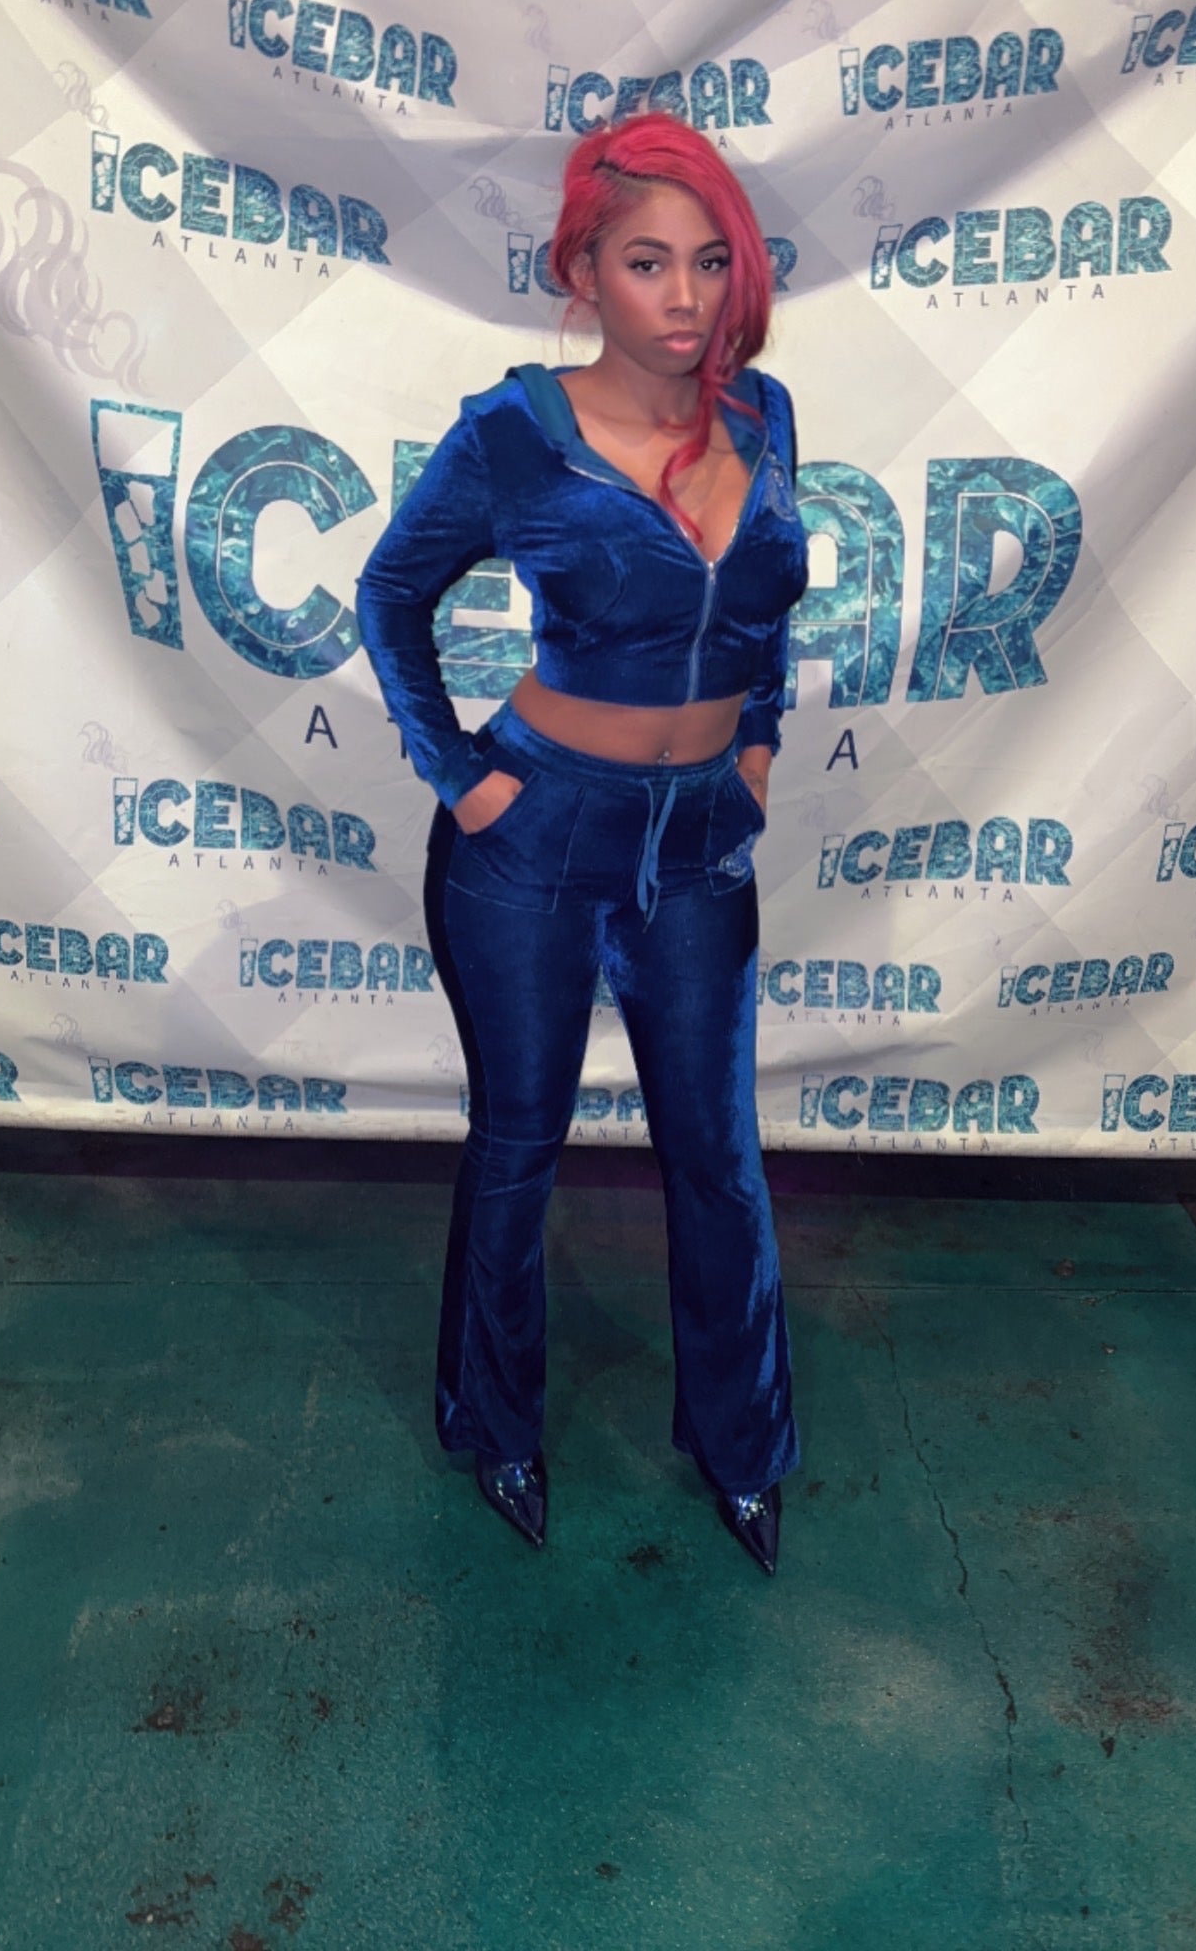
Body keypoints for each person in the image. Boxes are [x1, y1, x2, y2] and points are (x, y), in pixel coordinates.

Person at [356, 111, 809, 1576]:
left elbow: (763, 615)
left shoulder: (764, 417)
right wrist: (462, 778)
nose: (684, 297)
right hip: (532, 839)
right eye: (645, 262)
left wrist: (755, 746)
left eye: (709, 263)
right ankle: (495, 1426)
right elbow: (390, 595)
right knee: (519, 1145)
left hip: (701, 849)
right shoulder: (513, 434)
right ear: (582, 273)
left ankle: (744, 1449)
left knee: (717, 1156)